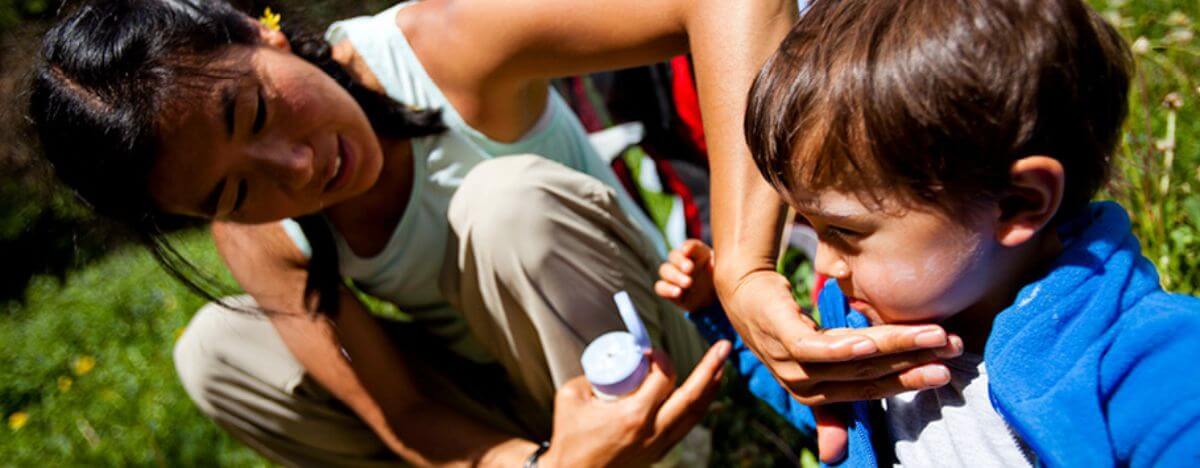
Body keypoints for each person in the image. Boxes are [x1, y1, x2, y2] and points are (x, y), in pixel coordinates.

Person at [29, 0, 796, 465]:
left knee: (503, 204)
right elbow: (404, 415)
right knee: (215, 352)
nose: (295, 169)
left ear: (258, 33)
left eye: (258, 111)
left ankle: (676, 452)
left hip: (649, 350)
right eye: (234, 191)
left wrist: (746, 263)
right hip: (530, 412)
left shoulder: (445, 46)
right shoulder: (256, 233)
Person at [658, 0, 1200, 465]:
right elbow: (819, 403)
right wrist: (720, 316)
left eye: (846, 230)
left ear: (1017, 205)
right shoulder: (872, 322)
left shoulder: (1151, 368)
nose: (825, 265)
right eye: (813, 226)